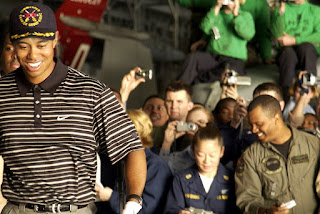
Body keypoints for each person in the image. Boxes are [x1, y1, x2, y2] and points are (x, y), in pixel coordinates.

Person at [0, 2, 146, 214]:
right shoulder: (2, 92)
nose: (32, 55)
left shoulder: (91, 92)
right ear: (13, 44)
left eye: (41, 45)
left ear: (55, 40)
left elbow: (131, 148)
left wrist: (132, 204)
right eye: (23, 46)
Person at [235, 95, 320, 214]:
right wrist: (265, 212)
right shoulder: (250, 156)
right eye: (251, 125)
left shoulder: (314, 145)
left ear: (276, 119)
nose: (254, 130)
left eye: (259, 124)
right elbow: (247, 200)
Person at [95, 109, 172, 214]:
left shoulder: (156, 166)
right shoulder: (115, 161)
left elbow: (147, 208)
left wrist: (112, 197)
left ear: (138, 133)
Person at [163, 124, 241, 214]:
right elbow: (170, 210)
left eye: (212, 155)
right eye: (201, 155)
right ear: (193, 151)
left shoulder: (233, 180)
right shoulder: (181, 179)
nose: (206, 161)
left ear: (221, 151)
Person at [176, 0, 255, 85]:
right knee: (193, 58)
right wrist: (216, 7)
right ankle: (179, 88)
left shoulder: (245, 16)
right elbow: (205, 27)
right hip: (214, 56)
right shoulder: (216, 14)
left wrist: (236, 14)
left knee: (228, 72)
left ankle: (197, 80)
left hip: (233, 59)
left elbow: (248, 34)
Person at [270, 0, 320, 93]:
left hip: (307, 54)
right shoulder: (281, 9)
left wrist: (295, 40)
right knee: (287, 53)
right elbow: (277, 34)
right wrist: (281, 11)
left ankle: (310, 91)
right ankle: (285, 94)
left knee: (306, 48)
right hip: (287, 54)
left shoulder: (315, 10)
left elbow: (318, 36)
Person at [160, 105, 214, 174]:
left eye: (201, 122)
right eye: (191, 124)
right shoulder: (178, 158)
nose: (195, 127)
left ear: (210, 126)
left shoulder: (219, 154)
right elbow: (160, 171)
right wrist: (167, 143)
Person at [152, 80, 194, 153]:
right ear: (165, 104)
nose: (173, 106)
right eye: (169, 101)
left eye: (179, 101)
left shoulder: (197, 132)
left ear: (190, 106)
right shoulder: (154, 134)